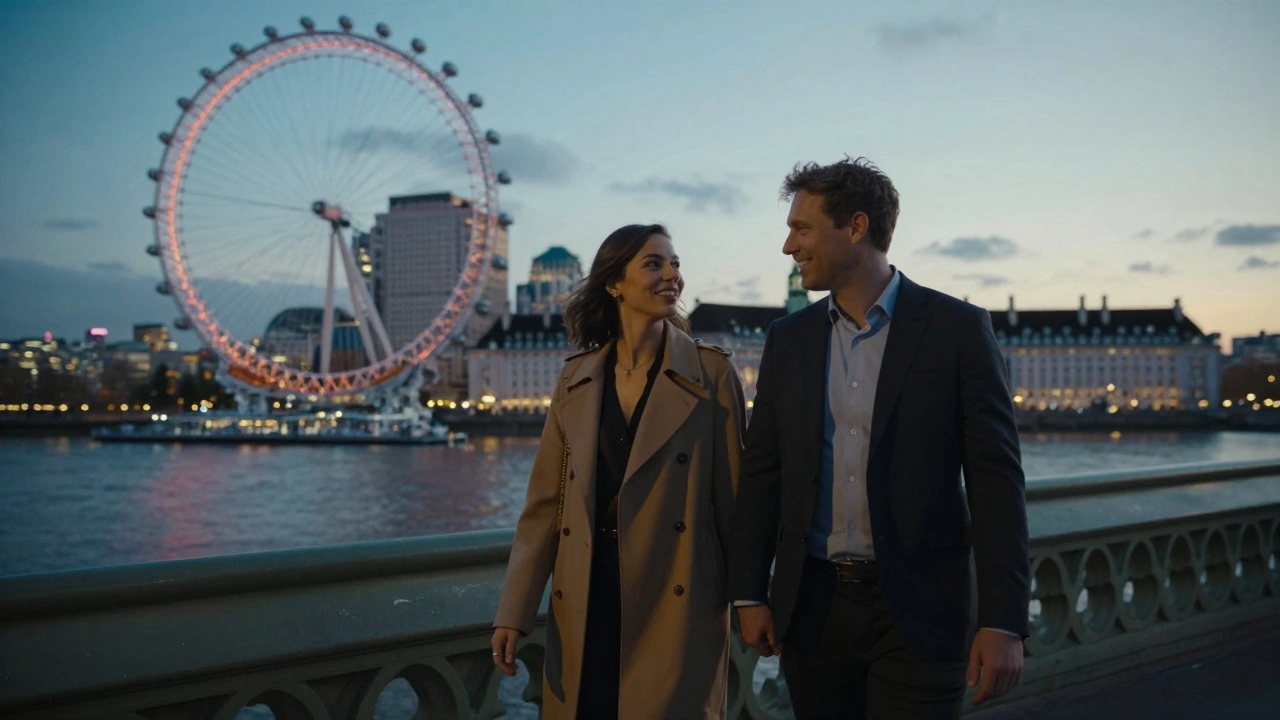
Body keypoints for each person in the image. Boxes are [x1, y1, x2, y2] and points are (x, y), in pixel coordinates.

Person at [727, 157, 1030, 719]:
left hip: (921, 609)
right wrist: (749, 592)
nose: (788, 247)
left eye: (801, 228)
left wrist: (1003, 620)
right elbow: (764, 471)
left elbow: (996, 482)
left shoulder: (957, 330)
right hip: (811, 609)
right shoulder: (788, 339)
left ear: (857, 228)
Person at [492, 223, 746, 720]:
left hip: (674, 604)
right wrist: (514, 612)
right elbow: (545, 508)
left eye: (675, 264)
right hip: (586, 598)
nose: (671, 274)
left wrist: (753, 600)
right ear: (614, 283)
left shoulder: (712, 373)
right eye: (654, 264)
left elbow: (736, 504)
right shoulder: (576, 378)